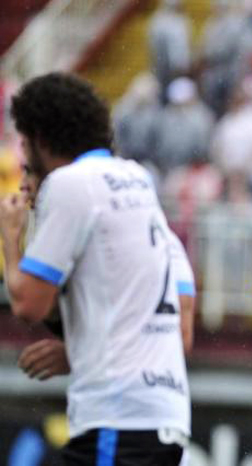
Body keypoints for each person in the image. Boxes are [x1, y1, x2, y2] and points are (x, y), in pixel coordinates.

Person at [0, 72, 190, 464]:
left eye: (24, 143)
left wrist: (10, 237)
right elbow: (181, 327)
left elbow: (28, 304)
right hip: (164, 415)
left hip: (116, 418)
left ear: (41, 138)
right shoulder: (137, 181)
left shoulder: (72, 184)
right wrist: (79, 351)